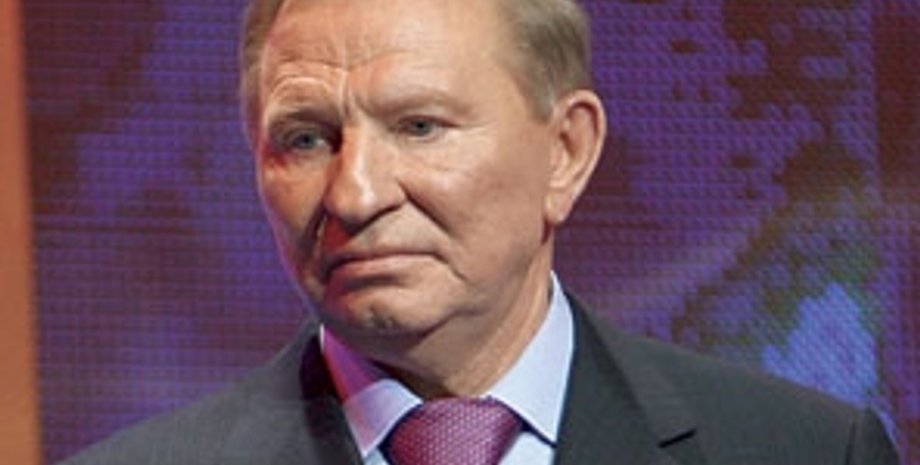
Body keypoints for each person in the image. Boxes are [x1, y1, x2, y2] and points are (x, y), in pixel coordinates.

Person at [61, 0, 901, 463]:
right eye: (307, 139)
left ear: (566, 151)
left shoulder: (806, 454)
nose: (355, 194)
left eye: (419, 126)